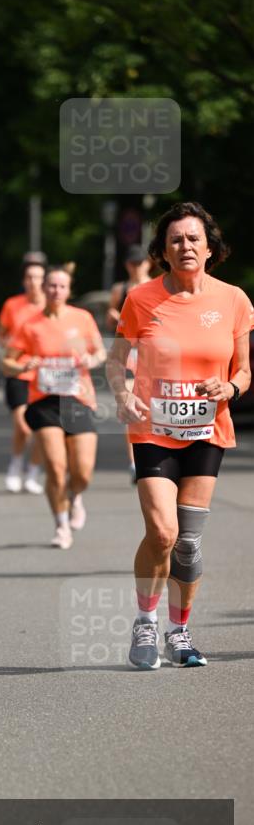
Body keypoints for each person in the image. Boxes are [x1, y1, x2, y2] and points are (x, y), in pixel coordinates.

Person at [106, 202, 252, 670]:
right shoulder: (142, 299)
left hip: (207, 430)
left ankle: (180, 630)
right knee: (163, 532)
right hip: (152, 427)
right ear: (163, 251)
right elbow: (115, 360)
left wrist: (228, 387)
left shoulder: (234, 300)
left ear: (210, 248)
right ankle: (146, 620)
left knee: (188, 542)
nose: (185, 246)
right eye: (175, 240)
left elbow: (244, 370)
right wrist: (123, 394)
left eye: (193, 239)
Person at [3, 266, 106, 549]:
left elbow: (100, 351)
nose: (55, 291)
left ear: (69, 290)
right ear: (43, 288)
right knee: (56, 467)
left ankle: (75, 497)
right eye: (51, 285)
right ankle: (61, 524)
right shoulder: (30, 324)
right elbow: (7, 362)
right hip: (44, 402)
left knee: (82, 471)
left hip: (78, 399)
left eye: (61, 286)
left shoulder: (82, 318)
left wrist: (91, 360)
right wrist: (24, 364)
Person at [0, 258, 47, 494]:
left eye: (37, 277)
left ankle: (33, 470)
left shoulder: (51, 306)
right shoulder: (12, 305)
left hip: (46, 375)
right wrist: (10, 345)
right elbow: (1, 336)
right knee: (24, 426)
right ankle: (16, 465)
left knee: (41, 428)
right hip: (18, 372)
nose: (33, 282)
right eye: (29, 277)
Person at [106, 245, 154, 482]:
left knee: (150, 401)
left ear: (149, 263)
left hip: (150, 352)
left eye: (141, 262)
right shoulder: (120, 289)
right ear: (127, 265)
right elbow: (111, 318)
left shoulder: (158, 287)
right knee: (130, 402)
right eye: (133, 263)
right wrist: (115, 317)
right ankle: (135, 462)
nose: (138, 267)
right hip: (129, 352)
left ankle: (154, 448)